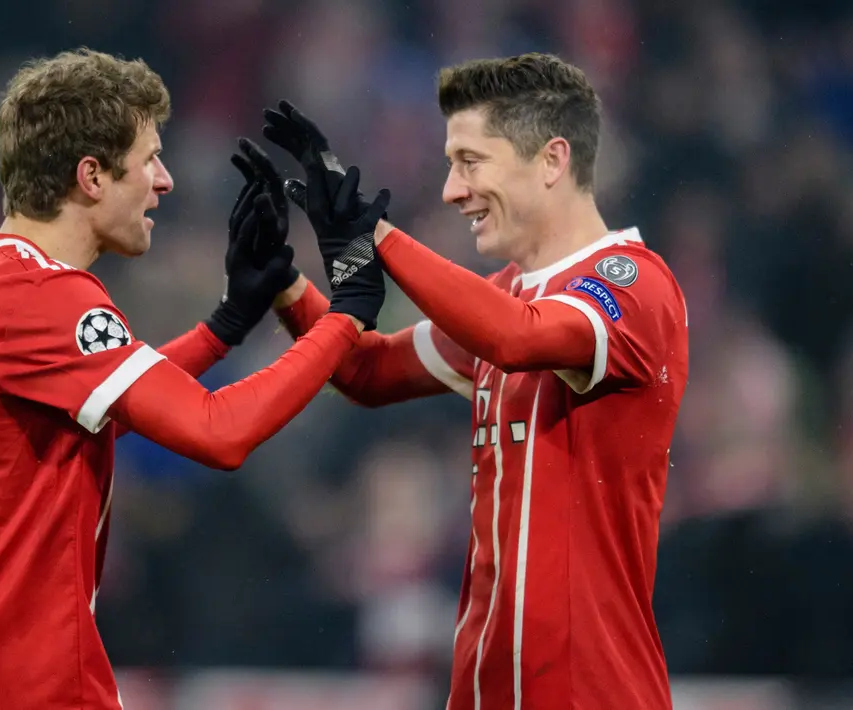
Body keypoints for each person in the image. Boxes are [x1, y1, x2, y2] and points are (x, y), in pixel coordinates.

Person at [0, 48, 389, 710]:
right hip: (17, 682)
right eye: (148, 160)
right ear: (91, 175)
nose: (164, 181)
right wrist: (345, 317)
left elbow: (83, 407)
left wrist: (223, 327)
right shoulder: (46, 297)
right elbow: (218, 432)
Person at [262, 52, 688, 709]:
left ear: (551, 161)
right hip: (486, 685)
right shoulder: (506, 298)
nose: (450, 190)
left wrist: (375, 232)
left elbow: (517, 338)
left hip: (588, 690)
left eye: (470, 162)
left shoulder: (631, 286)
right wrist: (283, 281)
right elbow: (363, 370)